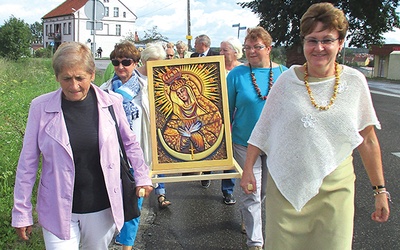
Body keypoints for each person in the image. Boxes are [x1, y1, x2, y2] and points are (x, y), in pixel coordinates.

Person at [240, 3, 390, 250]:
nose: (319, 48)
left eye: (327, 40)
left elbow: (369, 140)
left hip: (336, 189)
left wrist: (380, 191)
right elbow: (262, 129)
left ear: (340, 43)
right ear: (304, 43)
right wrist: (248, 171)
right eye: (312, 40)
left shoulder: (355, 82)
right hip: (287, 189)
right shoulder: (288, 81)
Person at [11, 41, 153, 250]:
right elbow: (28, 162)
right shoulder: (40, 107)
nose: (74, 85)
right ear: (56, 77)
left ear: (92, 74)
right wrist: (21, 211)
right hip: (57, 209)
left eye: (80, 78)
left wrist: (142, 175)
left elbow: (130, 143)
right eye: (66, 78)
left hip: (101, 208)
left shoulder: (112, 102)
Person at [226, 27, 288, 249]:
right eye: (248, 47)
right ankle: (255, 243)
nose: (252, 51)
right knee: (251, 191)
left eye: (257, 47)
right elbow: (226, 111)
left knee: (264, 191)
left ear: (269, 48)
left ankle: (249, 217)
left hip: (276, 145)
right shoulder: (236, 75)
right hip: (244, 143)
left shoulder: (285, 73)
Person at [100, 41, 152, 250]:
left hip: (138, 155)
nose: (121, 67)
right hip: (113, 156)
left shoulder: (147, 88)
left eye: (126, 62)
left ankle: (126, 245)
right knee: (112, 200)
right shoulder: (104, 92)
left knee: (134, 202)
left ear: (136, 62)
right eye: (116, 62)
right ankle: (112, 233)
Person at [134, 43, 173, 209]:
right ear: (144, 60)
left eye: (159, 62)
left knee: (159, 157)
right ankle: (139, 194)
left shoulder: (162, 76)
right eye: (152, 62)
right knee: (141, 158)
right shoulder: (134, 77)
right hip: (139, 126)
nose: (155, 65)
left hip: (158, 124)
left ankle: (161, 193)